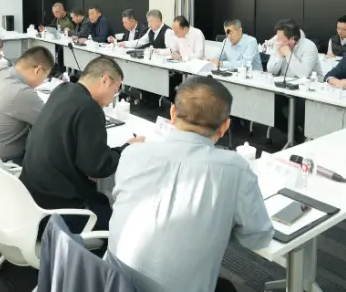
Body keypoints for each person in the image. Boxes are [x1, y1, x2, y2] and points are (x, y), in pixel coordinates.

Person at [106, 76, 273, 292]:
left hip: (111, 282)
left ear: (172, 113)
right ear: (225, 126)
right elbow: (257, 238)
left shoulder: (132, 153)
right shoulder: (235, 168)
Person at [20, 56, 144, 233]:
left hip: (28, 197)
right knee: (122, 226)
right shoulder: (89, 108)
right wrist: (127, 148)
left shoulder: (62, 90)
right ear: (105, 80)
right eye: (115, 90)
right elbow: (97, 167)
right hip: (55, 211)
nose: (112, 99)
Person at [0, 46, 55, 194]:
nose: (43, 81)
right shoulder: (21, 93)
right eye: (46, 77)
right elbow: (53, 126)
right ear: (38, 70)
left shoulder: (1, 76)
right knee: (53, 161)